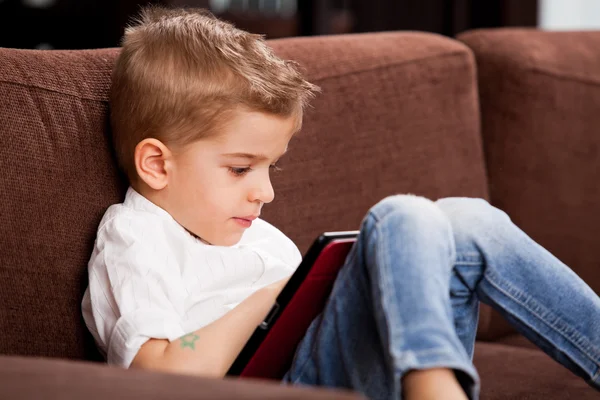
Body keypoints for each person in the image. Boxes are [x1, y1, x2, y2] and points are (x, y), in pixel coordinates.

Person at [81, 6, 600, 400]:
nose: (266, 191)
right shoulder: (136, 236)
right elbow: (161, 376)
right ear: (156, 163)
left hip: (359, 368)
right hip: (286, 383)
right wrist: (277, 294)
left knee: (465, 218)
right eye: (240, 168)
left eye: (270, 167)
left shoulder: (253, 235)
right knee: (401, 214)